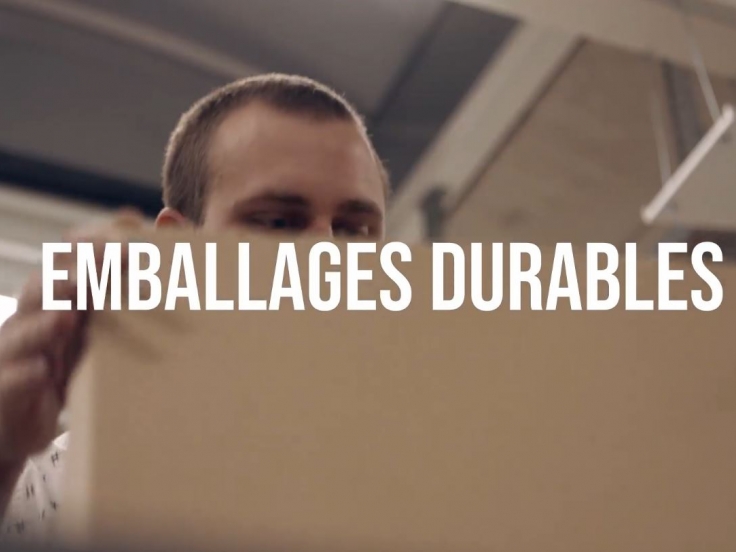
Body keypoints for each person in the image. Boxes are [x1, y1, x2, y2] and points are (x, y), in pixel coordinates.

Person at [0, 74, 389, 542]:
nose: (328, 259)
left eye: (354, 231)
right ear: (178, 245)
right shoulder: (54, 493)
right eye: (278, 222)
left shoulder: (433, 476)